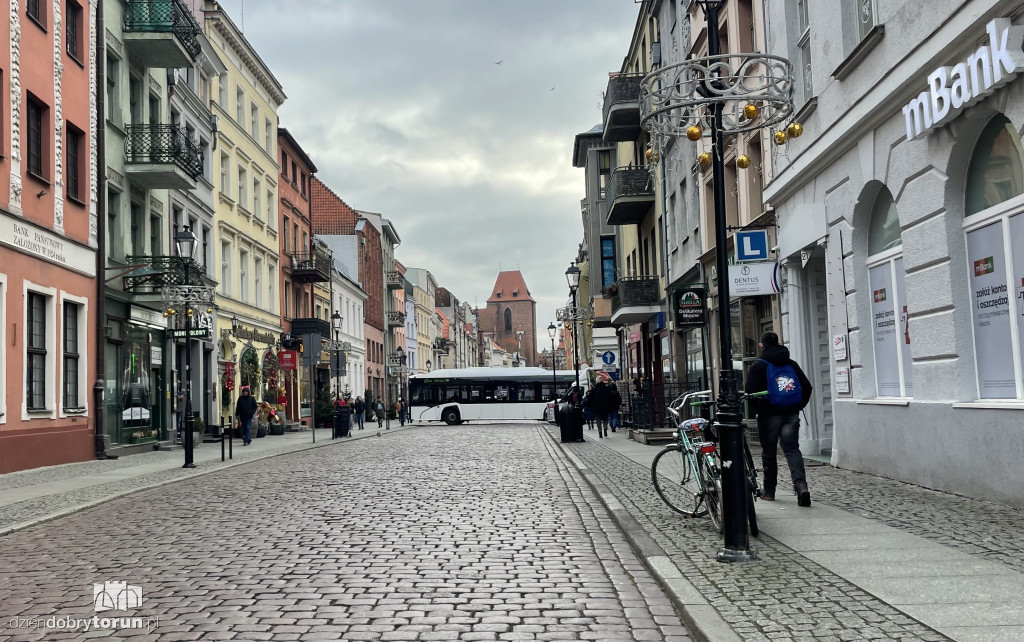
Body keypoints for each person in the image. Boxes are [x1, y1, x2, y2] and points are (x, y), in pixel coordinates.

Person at [745, 331, 814, 507]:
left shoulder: (758, 366)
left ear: (762, 345)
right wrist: (797, 406)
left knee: (769, 452)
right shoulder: (791, 363)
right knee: (792, 450)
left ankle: (769, 491)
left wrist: (760, 409)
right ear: (779, 343)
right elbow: (807, 387)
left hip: (769, 416)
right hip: (791, 414)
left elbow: (750, 393)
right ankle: (801, 487)